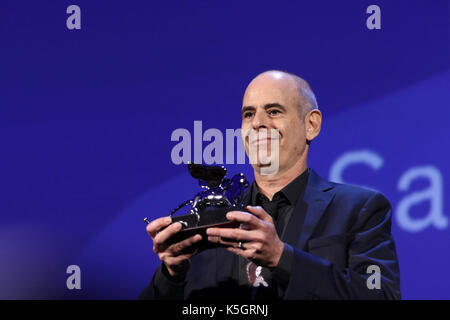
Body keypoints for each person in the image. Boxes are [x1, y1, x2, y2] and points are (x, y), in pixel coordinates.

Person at [139, 70, 401, 300]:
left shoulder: (359, 209)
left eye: (274, 111)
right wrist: (171, 274)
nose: (257, 123)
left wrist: (282, 258)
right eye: (248, 114)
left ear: (311, 125)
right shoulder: (210, 220)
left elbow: (380, 295)